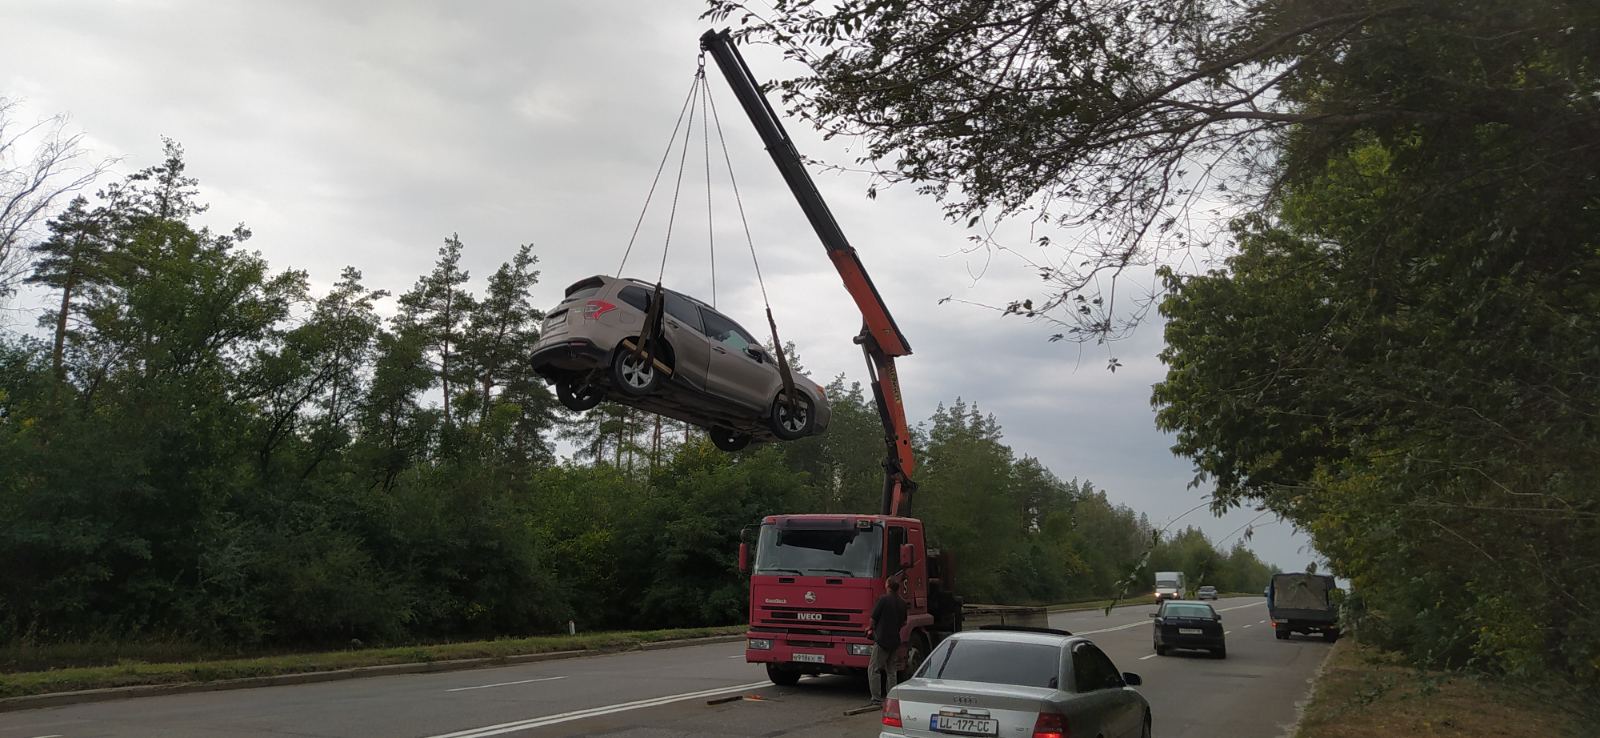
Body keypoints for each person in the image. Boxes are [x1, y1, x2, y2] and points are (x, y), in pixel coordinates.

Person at [866, 577, 907, 704]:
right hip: (895, 640)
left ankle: (876, 697)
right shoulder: (902, 602)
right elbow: (904, 622)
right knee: (892, 670)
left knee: (874, 669)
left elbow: (873, 618)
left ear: (888, 586)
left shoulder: (883, 599)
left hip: (882, 640)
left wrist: (869, 629)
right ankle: (892, 697)